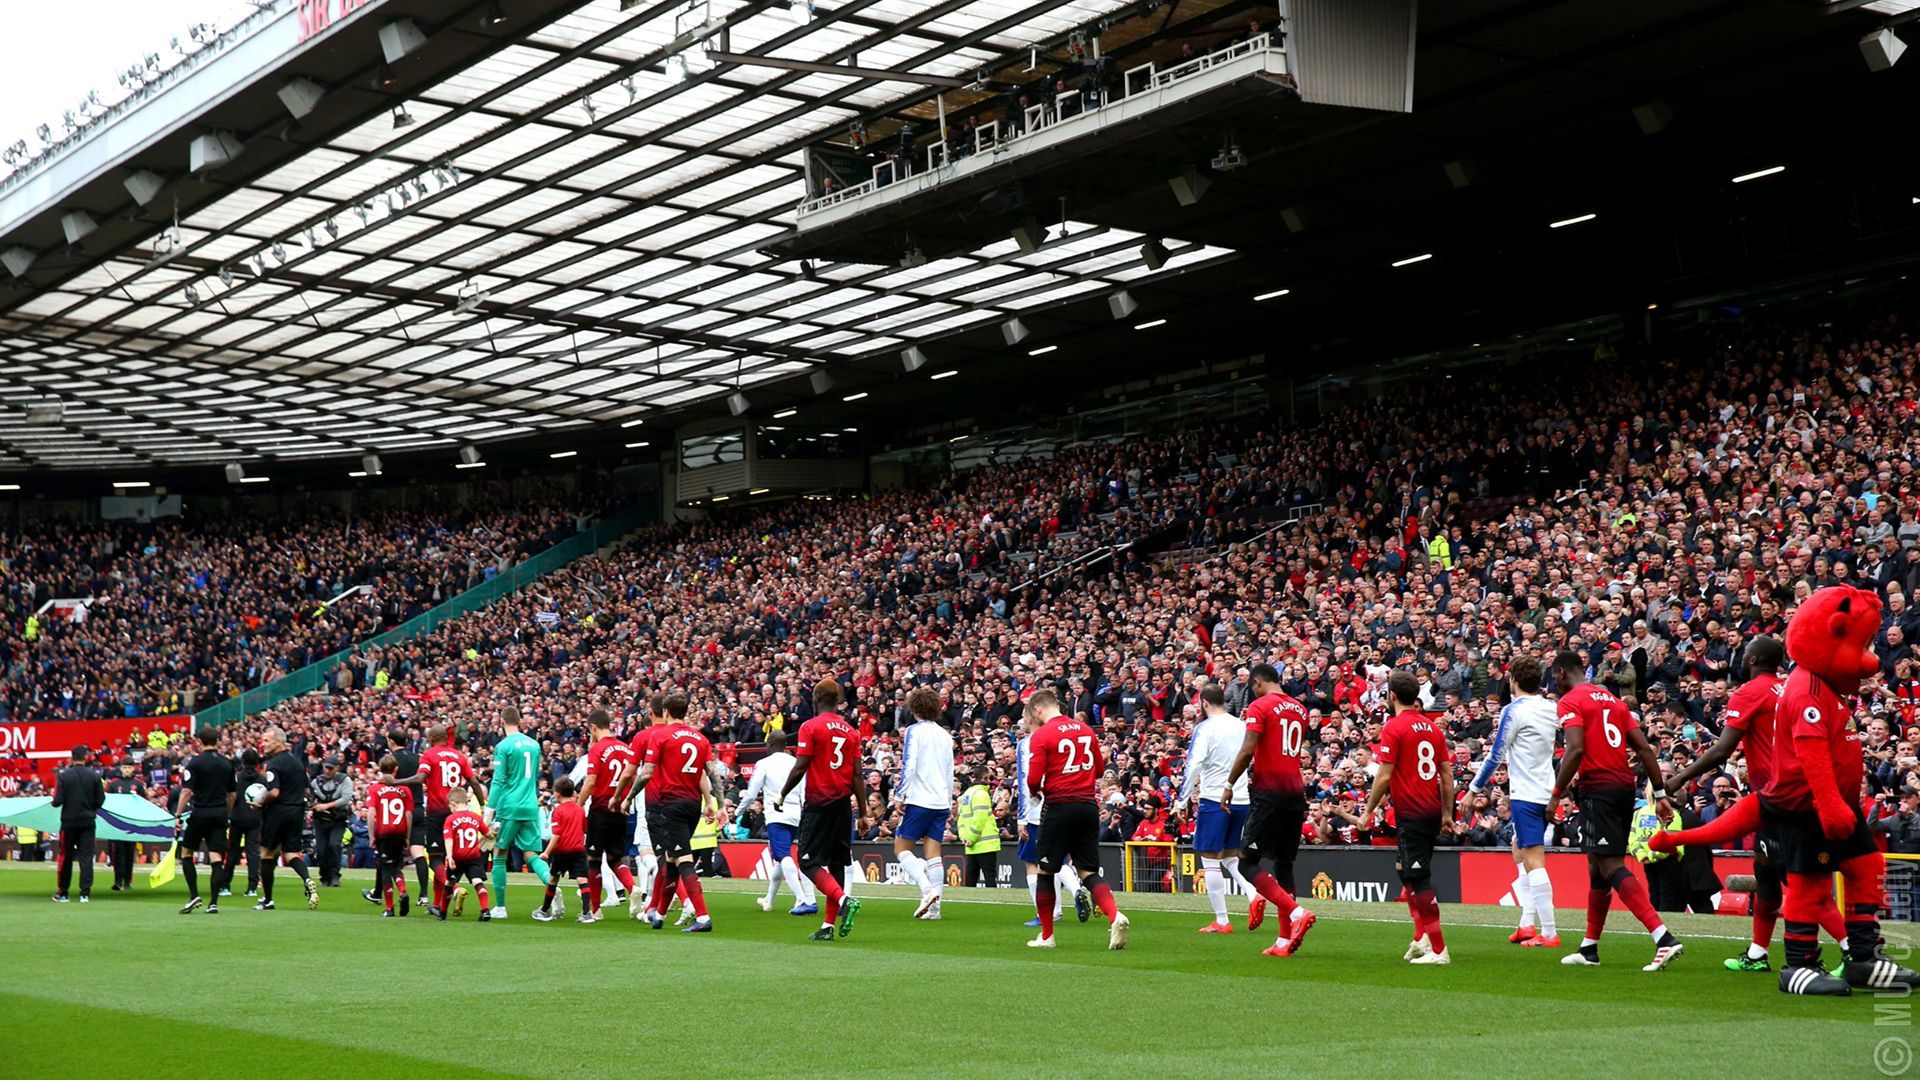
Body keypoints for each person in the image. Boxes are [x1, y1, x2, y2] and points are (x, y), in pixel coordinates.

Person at [1549, 650, 1682, 970]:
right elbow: (1644, 749)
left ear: (1562, 673)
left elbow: (1576, 749)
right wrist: (1660, 793)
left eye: (1554, 676)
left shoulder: (1571, 701)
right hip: (1624, 787)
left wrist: (1556, 794)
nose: (1554, 681)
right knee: (1597, 869)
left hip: (1599, 790)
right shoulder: (1614, 700)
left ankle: (1663, 938)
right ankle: (1589, 947)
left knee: (1609, 867)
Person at [1222, 663, 1315, 956]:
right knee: (1283, 865)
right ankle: (1284, 940)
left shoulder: (1260, 706)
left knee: (1247, 861)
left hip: (1269, 793)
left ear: (1258, 683)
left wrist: (1229, 784)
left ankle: (1298, 913)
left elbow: (1249, 748)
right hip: (1295, 793)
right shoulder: (1298, 709)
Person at [1468, 654, 1560, 949]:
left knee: (1534, 860)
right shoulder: (1550, 708)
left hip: (1527, 794)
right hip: (1546, 790)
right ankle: (1526, 923)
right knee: (1518, 849)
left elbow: (1496, 755)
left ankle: (1549, 931)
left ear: (1513, 680)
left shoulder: (1514, 710)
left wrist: (1474, 789)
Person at [1025, 688, 1128, 950]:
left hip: (1059, 806)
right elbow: (1100, 769)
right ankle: (1115, 915)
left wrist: (1035, 792)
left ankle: (1047, 936)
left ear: (1038, 710)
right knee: (1088, 871)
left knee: (1046, 870)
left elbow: (1034, 779)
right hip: (1086, 806)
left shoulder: (1042, 735)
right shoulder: (1085, 730)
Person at [1364, 671, 1455, 965]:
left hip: (1413, 811)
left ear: (1391, 695)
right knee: (1404, 868)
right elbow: (1446, 775)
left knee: (1418, 877)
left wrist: (1367, 810)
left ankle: (1439, 950)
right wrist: (1446, 812)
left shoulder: (1394, 727)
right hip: (1429, 809)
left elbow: (1384, 775)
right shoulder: (1432, 728)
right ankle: (1420, 937)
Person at [779, 678, 869, 942]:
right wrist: (863, 813)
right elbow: (857, 776)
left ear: (816, 699)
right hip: (843, 805)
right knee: (837, 863)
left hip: (819, 803)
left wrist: (783, 793)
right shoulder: (851, 731)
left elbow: (801, 765)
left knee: (808, 862)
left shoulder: (810, 727)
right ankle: (828, 926)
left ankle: (844, 900)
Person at [629, 692, 719, 933]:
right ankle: (658, 913)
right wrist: (712, 802)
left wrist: (627, 797)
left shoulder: (660, 735)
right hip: (692, 805)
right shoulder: (700, 739)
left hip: (668, 805)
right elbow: (709, 773)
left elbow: (646, 773)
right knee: (670, 860)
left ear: (665, 712)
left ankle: (702, 915)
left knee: (682, 859)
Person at [1179, 684, 1255, 933]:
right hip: (1241, 798)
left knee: (1210, 859)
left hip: (1214, 798)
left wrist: (1182, 800)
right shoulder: (1239, 724)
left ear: (1203, 703)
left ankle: (1222, 920)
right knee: (1231, 856)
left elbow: (1194, 764)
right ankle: (1254, 895)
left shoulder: (1205, 728)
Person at [1016, 706, 1087, 929]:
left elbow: (1026, 781)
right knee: (1056, 858)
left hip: (1037, 810)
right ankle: (1076, 889)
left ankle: (1048, 911)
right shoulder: (1064, 735)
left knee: (1033, 863)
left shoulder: (1028, 743)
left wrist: (1021, 818)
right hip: (1066, 803)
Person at [405, 723, 484, 916]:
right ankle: (438, 904)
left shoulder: (429, 755)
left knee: (435, 859)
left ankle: (455, 889)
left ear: (432, 738)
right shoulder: (459, 756)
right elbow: (473, 781)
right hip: (456, 812)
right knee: (447, 859)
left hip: (437, 812)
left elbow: (420, 778)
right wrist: (482, 805)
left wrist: (397, 782)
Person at [737, 729, 816, 915]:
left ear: (770, 745)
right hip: (795, 814)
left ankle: (802, 899)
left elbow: (751, 793)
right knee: (779, 861)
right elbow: (804, 789)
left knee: (782, 855)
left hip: (776, 815)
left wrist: (738, 812)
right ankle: (769, 900)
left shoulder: (763, 764)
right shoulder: (795, 762)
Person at [893, 686, 956, 920]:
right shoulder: (945, 735)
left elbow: (909, 765)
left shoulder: (913, 731)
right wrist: (949, 801)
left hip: (920, 798)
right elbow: (950, 771)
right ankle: (936, 910)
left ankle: (926, 889)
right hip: (940, 800)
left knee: (901, 848)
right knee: (933, 853)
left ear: (914, 708)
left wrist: (900, 795)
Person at [487, 707, 551, 920]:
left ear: (502, 722)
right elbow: (534, 777)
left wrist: (489, 810)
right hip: (530, 804)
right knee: (531, 853)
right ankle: (552, 886)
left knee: (499, 853)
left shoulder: (503, 746)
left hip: (510, 806)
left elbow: (498, 780)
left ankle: (501, 908)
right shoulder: (534, 745)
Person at [576, 709, 636, 923]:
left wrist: (578, 804)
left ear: (593, 727)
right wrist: (626, 799)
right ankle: (633, 888)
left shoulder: (597, 749)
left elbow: (591, 781)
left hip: (600, 808)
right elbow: (634, 777)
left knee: (593, 859)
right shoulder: (625, 748)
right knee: (615, 858)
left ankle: (595, 909)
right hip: (619, 808)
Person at [171, 730, 235, 915]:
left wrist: (178, 814)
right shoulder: (227, 763)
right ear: (217, 741)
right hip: (220, 813)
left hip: (200, 813)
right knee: (216, 857)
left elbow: (186, 792)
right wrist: (227, 813)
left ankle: (194, 895)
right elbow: (232, 794)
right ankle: (213, 903)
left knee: (187, 852)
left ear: (200, 742)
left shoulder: (195, 763)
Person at [256, 726, 318, 911]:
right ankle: (307, 879)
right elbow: (307, 790)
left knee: (267, 854)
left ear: (279, 741)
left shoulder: (273, 764)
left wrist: (260, 802)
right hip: (296, 811)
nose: (263, 744)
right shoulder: (297, 762)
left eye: (266, 740)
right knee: (291, 854)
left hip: (278, 812)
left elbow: (274, 792)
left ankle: (268, 900)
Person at [534, 777, 592, 922]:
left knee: (553, 879)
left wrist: (546, 852)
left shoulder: (558, 811)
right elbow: (584, 829)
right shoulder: (580, 810)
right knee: (582, 879)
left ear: (557, 794)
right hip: (578, 850)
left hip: (562, 851)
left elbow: (557, 834)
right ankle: (587, 913)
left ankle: (544, 911)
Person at [51, 745, 103, 903]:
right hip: (88, 821)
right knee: (86, 857)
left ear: (72, 757)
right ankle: (85, 893)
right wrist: (90, 808)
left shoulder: (64, 776)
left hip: (69, 821)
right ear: (86, 757)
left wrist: (54, 803)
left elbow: (58, 800)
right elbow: (100, 800)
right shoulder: (94, 776)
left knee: (65, 857)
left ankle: (64, 892)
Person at [365, 755, 414, 917]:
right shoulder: (404, 789)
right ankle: (403, 890)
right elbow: (408, 814)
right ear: (396, 770)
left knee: (386, 867)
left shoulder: (375, 788)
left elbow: (371, 813)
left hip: (384, 832)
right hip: (400, 831)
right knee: (396, 866)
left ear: (380, 769)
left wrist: (372, 836)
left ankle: (389, 907)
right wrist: (407, 836)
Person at [440, 788, 494, 921]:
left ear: (453, 803)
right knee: (477, 881)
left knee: (449, 883)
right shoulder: (475, 817)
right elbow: (488, 834)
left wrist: (449, 856)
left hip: (457, 857)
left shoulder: (450, 819)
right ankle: (485, 910)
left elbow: (449, 839)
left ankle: (442, 912)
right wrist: (493, 833)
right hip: (473, 856)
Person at [309, 758, 353, 888]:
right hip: (321, 820)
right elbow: (310, 795)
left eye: (330, 768)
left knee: (334, 845)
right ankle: (324, 876)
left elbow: (345, 798)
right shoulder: (317, 781)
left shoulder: (344, 780)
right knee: (321, 850)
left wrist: (326, 806)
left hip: (337, 820)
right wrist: (313, 804)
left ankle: (334, 875)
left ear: (337, 768)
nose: (327, 771)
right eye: (325, 768)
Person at [105, 760, 148, 892]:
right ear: (121, 768)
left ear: (133, 768)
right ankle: (117, 881)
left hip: (131, 824)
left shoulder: (138, 784)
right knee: (117, 853)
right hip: (116, 824)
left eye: (129, 767)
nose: (127, 770)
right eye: (125, 767)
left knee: (129, 853)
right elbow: (107, 801)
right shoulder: (114, 784)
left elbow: (145, 802)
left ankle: (127, 881)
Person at [228, 748, 264, 898]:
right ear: (257, 763)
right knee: (253, 852)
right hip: (255, 818)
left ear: (242, 761)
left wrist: (229, 814)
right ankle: (252, 887)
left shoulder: (237, 778)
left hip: (237, 817)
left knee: (233, 851)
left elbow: (232, 796)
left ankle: (225, 885)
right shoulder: (262, 780)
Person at [957, 771, 1000, 888]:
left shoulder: (966, 794)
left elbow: (960, 819)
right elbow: (979, 819)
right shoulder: (981, 794)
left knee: (970, 879)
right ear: (985, 778)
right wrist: (971, 838)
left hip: (970, 845)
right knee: (989, 877)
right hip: (985, 844)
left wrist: (964, 838)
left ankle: (968, 904)